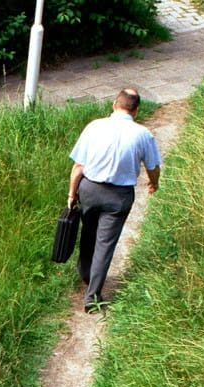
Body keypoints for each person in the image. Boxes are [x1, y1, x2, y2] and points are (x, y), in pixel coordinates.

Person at [66, 88, 162, 312]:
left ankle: (85, 272)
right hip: (119, 197)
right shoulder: (143, 134)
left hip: (89, 189)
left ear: (114, 104)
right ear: (136, 110)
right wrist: (153, 182)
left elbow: (78, 166)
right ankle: (92, 296)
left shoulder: (94, 127)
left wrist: (72, 193)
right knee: (105, 244)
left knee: (88, 232)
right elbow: (152, 167)